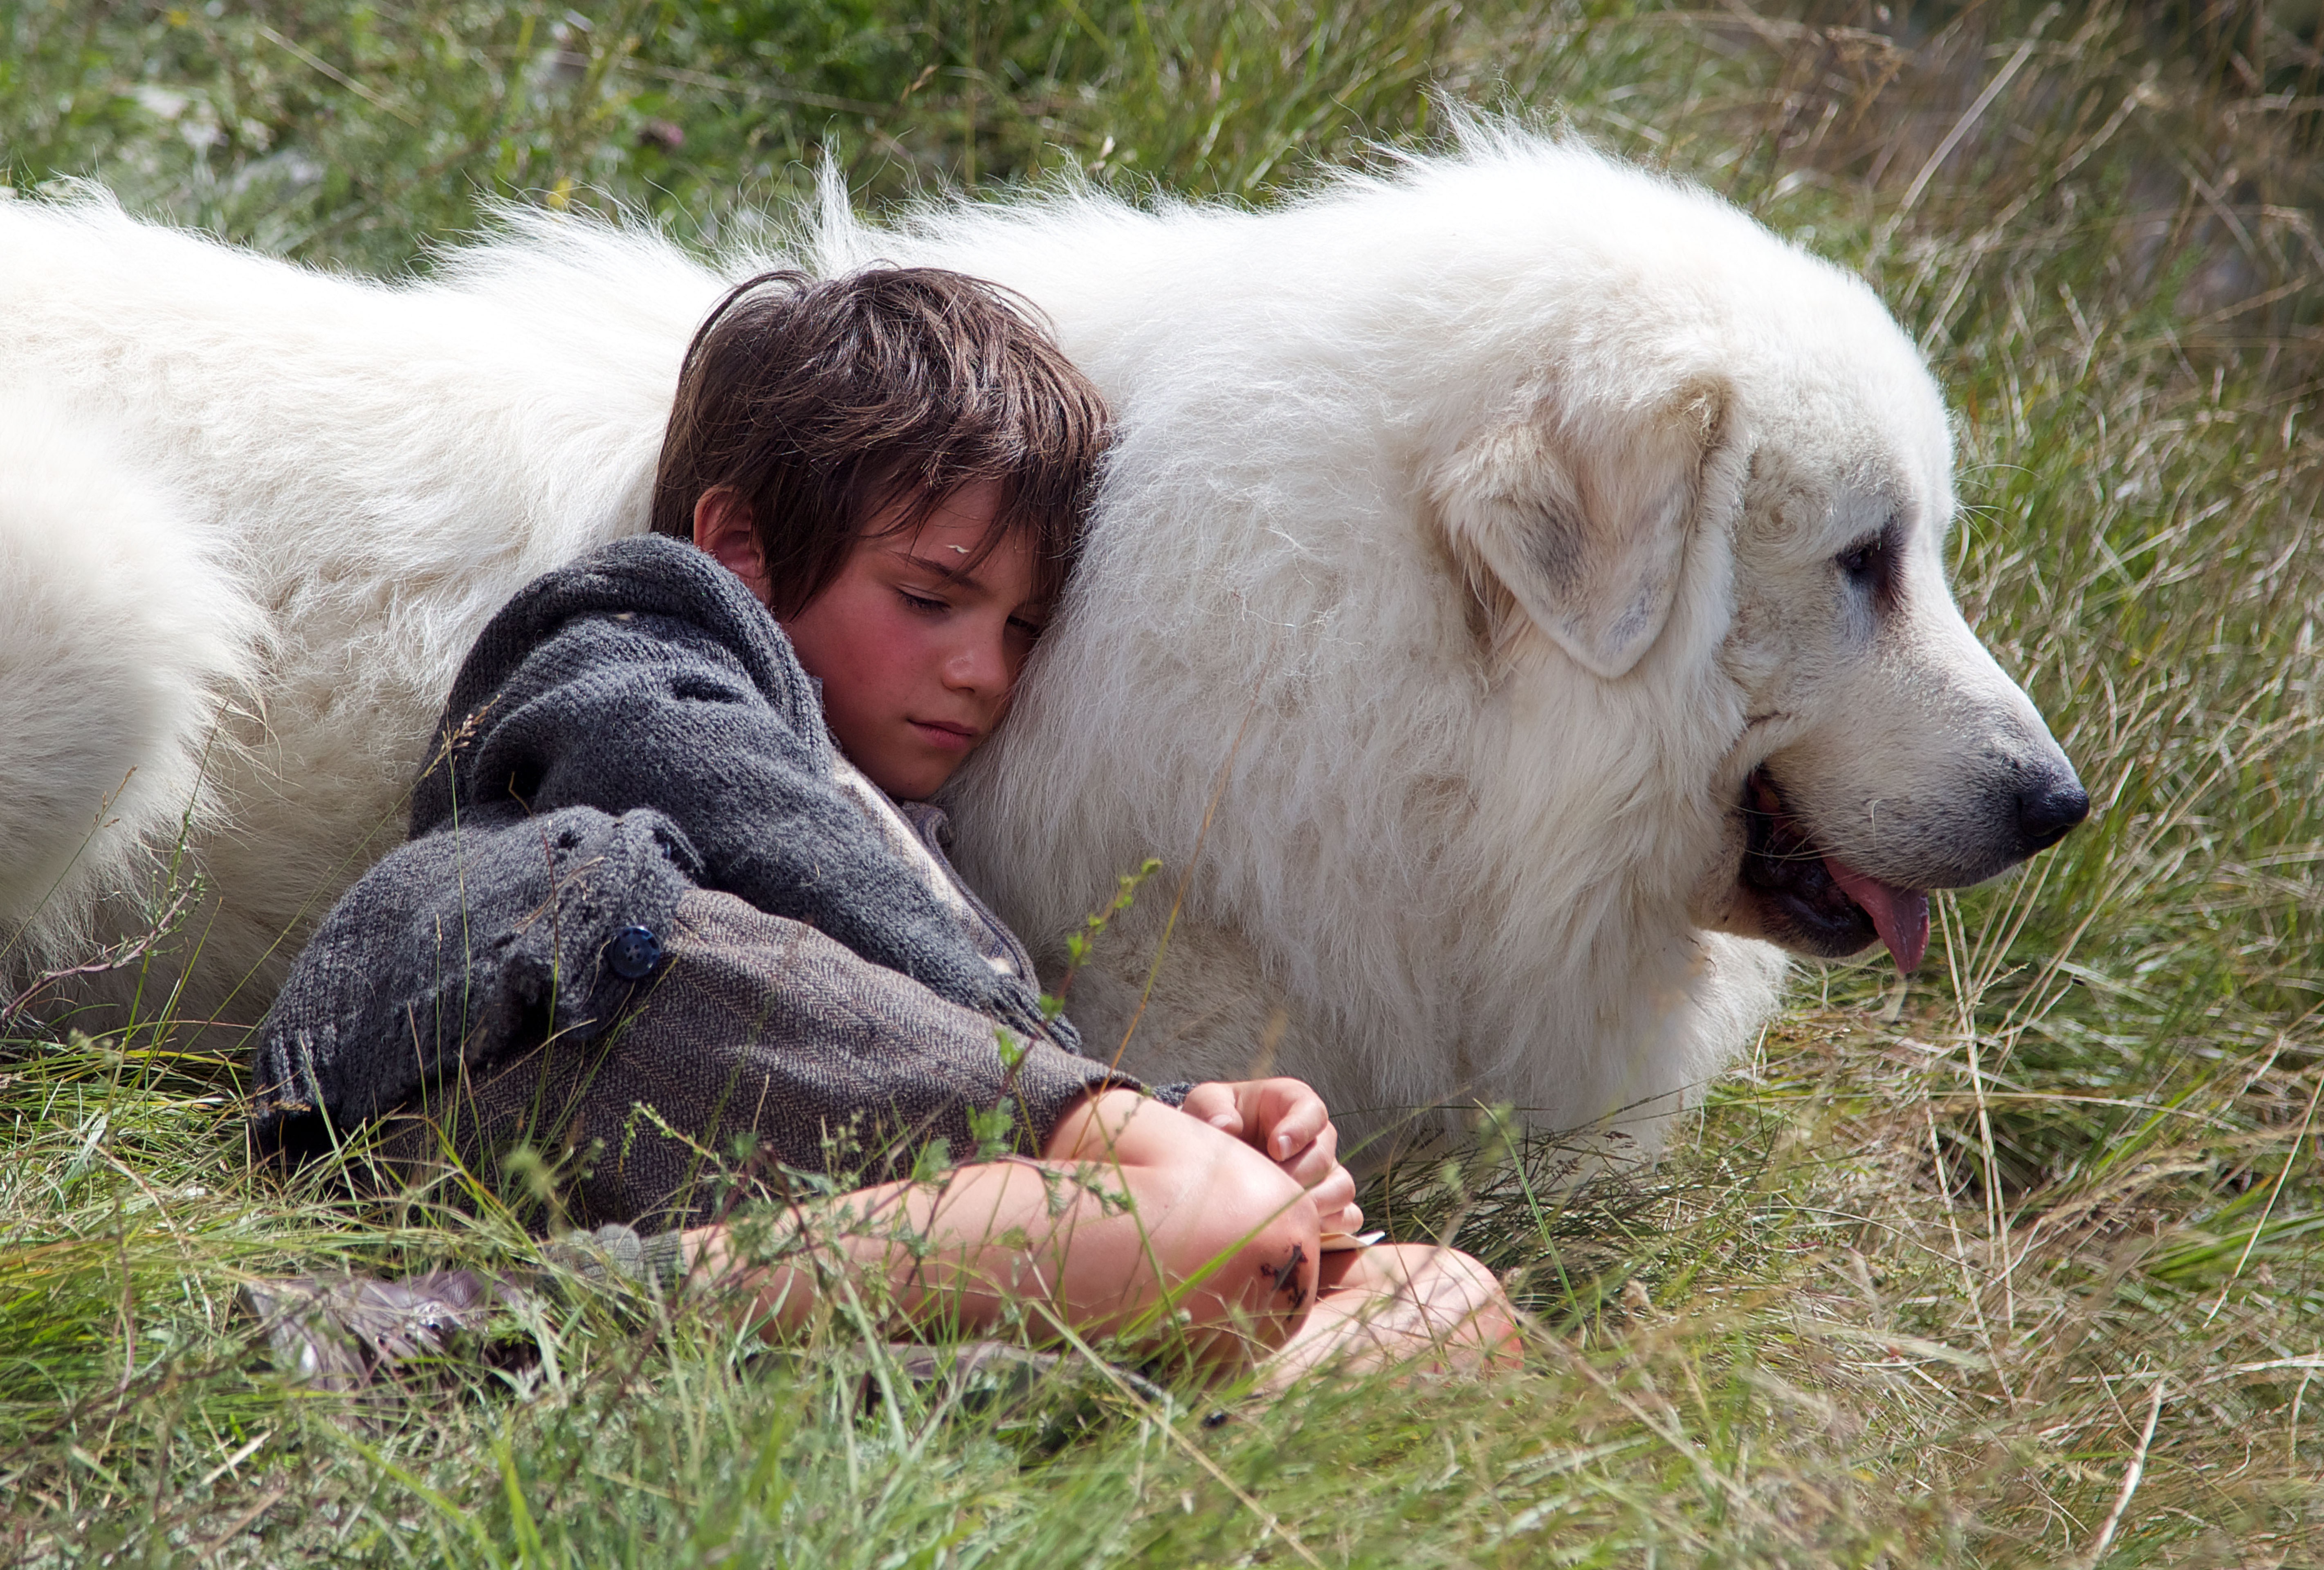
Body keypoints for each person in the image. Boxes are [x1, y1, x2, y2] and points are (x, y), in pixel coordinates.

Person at [245, 266, 1518, 1394]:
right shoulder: (646, 639)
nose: (983, 671)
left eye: (1021, 629)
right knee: (1226, 1218)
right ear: (738, 548)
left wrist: (1195, 1130)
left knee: (1445, 1297)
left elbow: (907, 1024)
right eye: (930, 597)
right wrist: (1143, 1120)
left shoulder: (898, 825)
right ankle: (469, 1330)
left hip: (707, 1184)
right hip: (538, 989)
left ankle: (1147, 1442)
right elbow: (743, 809)